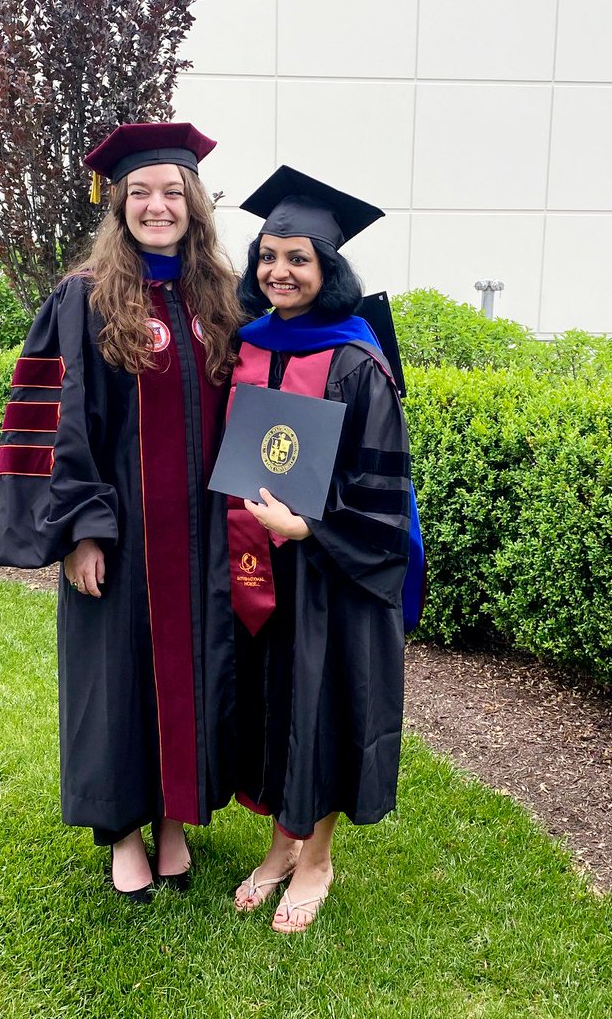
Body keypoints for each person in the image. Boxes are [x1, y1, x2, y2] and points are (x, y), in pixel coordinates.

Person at [0, 122, 242, 903]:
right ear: (118, 202)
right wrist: (79, 531)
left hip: (200, 535)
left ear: (194, 204)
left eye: (172, 192)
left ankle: (174, 824)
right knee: (116, 679)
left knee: (194, 673)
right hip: (122, 532)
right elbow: (57, 418)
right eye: (141, 193)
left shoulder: (217, 299)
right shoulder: (86, 296)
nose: (156, 205)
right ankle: (123, 834)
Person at [210, 166, 414, 933]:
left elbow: (382, 495)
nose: (278, 271)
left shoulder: (358, 361)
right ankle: (277, 846)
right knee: (273, 705)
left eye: (298, 258)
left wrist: (312, 530)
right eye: (268, 256)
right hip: (254, 565)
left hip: (327, 571)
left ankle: (317, 856)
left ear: (328, 269)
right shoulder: (248, 344)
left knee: (321, 709)